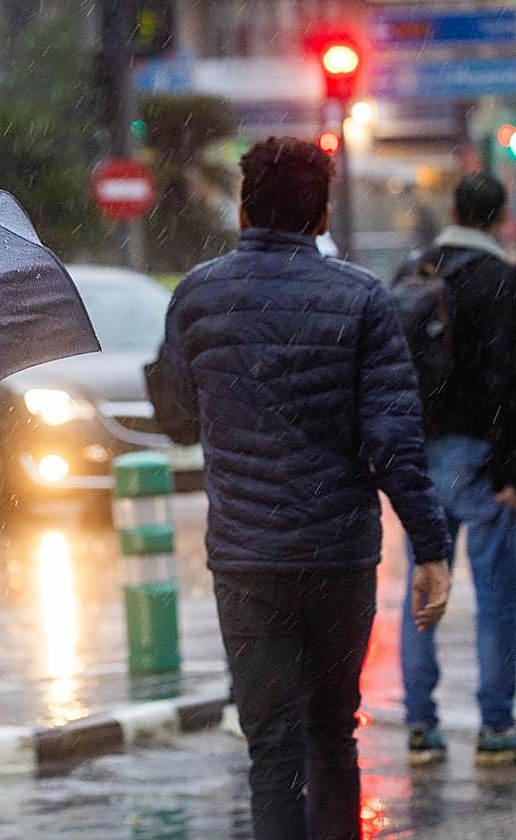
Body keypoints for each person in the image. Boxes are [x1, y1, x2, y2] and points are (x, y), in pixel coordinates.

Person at [147, 136, 452, 840]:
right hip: (338, 557)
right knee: (332, 734)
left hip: (247, 560)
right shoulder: (361, 297)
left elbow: (178, 417)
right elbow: (393, 440)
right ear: (321, 217)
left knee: (273, 751)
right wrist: (431, 547)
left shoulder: (198, 295)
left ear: (244, 210)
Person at [399, 173, 516, 767]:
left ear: (452, 209)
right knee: (496, 596)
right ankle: (495, 726)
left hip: (418, 453)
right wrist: (509, 468)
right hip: (479, 453)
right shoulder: (501, 280)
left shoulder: (415, 269)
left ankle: (421, 725)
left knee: (423, 582)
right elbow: (508, 378)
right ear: (500, 216)